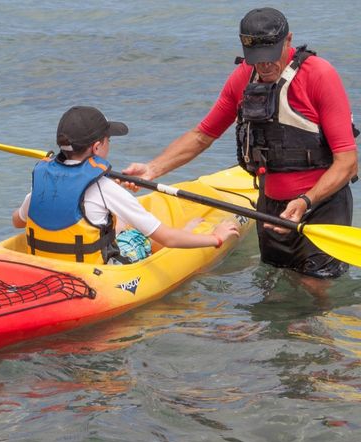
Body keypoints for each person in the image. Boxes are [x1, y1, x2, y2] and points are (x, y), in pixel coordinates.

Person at [123, 7, 358, 279]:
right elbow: (202, 135)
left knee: (316, 288)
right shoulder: (243, 77)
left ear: (288, 40)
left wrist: (306, 201)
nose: (264, 65)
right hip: (270, 209)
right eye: (257, 58)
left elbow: (347, 163)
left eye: (271, 56)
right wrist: (152, 169)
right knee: (275, 288)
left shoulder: (319, 75)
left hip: (320, 207)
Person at [12, 105, 240, 264]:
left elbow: (18, 221)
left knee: (117, 221)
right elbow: (168, 239)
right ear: (97, 147)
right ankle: (187, 231)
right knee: (140, 236)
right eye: (108, 140)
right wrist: (216, 238)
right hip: (94, 274)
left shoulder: (43, 181)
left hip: (50, 264)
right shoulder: (104, 188)